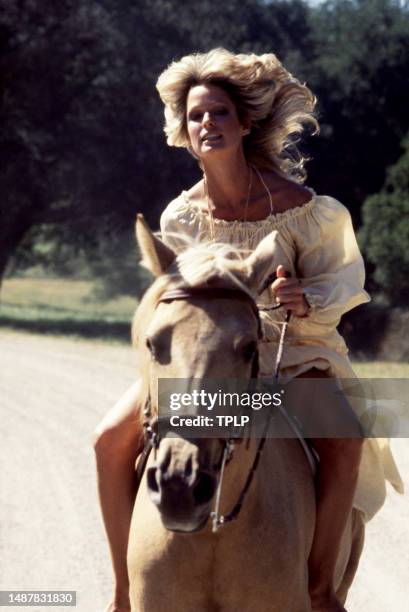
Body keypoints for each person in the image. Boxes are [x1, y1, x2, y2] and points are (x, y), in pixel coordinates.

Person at [94, 48, 373, 612]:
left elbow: (344, 282)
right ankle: (124, 592)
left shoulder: (306, 209)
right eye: (196, 116)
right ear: (184, 131)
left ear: (244, 123)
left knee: (345, 439)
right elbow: (173, 298)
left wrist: (304, 296)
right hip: (209, 360)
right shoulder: (179, 218)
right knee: (107, 439)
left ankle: (319, 590)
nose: (207, 124)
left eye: (219, 113)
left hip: (292, 353)